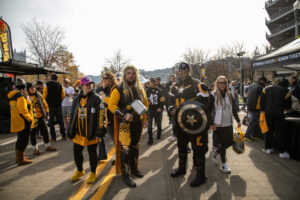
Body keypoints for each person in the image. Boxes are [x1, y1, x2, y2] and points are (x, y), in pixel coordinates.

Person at [168, 62, 212, 187]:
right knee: (181, 146)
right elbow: (169, 101)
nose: (183, 72)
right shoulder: (174, 86)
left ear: (189, 70)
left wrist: (190, 111)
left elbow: (206, 103)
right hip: (180, 124)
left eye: (185, 69)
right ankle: (182, 168)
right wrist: (171, 110)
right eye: (180, 70)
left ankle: (200, 175)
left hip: (196, 124)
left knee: (198, 149)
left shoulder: (197, 84)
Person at [108, 65, 148, 188]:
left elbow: (145, 104)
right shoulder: (118, 89)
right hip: (125, 125)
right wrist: (124, 114)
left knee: (135, 147)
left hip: (137, 123)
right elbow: (112, 105)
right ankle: (126, 175)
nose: (131, 75)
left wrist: (145, 119)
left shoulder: (140, 89)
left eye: (133, 73)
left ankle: (134, 168)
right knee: (125, 149)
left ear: (136, 75)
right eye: (128, 73)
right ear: (125, 75)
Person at [67, 77, 104, 184]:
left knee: (92, 153)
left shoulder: (97, 98)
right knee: (76, 152)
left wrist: (99, 132)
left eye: (90, 84)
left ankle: (93, 172)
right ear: (81, 86)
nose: (89, 86)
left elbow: (101, 116)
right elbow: (72, 115)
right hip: (79, 132)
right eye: (86, 85)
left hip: (91, 132)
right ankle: (80, 170)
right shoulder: (76, 99)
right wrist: (70, 131)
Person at [211, 75, 241, 173]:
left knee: (232, 141)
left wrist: (238, 120)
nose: (222, 84)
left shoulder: (229, 94)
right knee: (223, 143)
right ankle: (224, 164)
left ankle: (216, 152)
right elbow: (210, 111)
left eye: (224, 82)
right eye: (220, 82)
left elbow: (233, 108)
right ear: (217, 83)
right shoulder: (213, 95)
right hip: (218, 124)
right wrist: (211, 123)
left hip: (229, 122)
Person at [260, 79, 292, 158]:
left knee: (269, 131)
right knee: (280, 132)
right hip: (279, 114)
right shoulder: (286, 91)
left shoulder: (266, 89)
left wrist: (263, 110)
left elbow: (262, 102)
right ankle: (281, 152)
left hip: (268, 113)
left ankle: (269, 148)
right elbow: (288, 105)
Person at [8, 78, 34, 165]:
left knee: (20, 139)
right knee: (23, 140)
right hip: (23, 122)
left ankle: (20, 157)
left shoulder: (13, 96)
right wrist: (29, 118)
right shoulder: (21, 96)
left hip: (17, 121)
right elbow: (23, 110)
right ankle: (20, 159)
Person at [27, 82, 57, 155]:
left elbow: (45, 105)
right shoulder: (27, 97)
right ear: (28, 89)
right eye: (31, 88)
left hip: (41, 117)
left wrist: (46, 114)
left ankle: (48, 146)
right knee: (33, 134)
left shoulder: (39, 95)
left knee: (45, 132)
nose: (33, 89)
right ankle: (35, 149)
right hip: (32, 119)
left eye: (33, 87)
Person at [95, 72, 118, 162]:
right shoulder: (100, 89)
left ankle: (120, 157)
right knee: (100, 135)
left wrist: (104, 97)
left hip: (111, 117)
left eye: (106, 78)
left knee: (115, 139)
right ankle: (102, 155)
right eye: (103, 78)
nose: (104, 80)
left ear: (111, 79)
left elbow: (112, 103)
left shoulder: (114, 89)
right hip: (102, 117)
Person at [43, 74, 66, 141]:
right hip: (58, 105)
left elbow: (44, 95)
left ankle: (53, 137)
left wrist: (45, 103)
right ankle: (63, 135)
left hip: (50, 105)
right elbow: (63, 94)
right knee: (61, 121)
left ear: (51, 78)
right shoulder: (60, 85)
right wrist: (60, 101)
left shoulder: (46, 85)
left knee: (51, 122)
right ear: (57, 78)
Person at [244, 76, 267, 141]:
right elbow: (263, 98)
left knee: (255, 121)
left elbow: (247, 95)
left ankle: (254, 134)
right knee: (253, 121)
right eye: (265, 82)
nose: (265, 83)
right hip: (256, 107)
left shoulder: (251, 85)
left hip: (249, 105)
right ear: (262, 80)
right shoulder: (262, 87)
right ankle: (247, 135)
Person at [146, 78, 164, 145]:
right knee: (149, 125)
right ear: (150, 83)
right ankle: (150, 138)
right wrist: (147, 103)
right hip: (150, 110)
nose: (152, 83)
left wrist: (160, 108)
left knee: (159, 123)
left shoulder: (159, 90)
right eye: (151, 82)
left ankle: (159, 134)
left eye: (153, 82)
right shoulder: (147, 90)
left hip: (157, 109)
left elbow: (162, 100)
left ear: (155, 83)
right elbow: (144, 100)